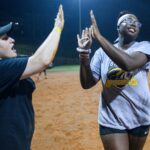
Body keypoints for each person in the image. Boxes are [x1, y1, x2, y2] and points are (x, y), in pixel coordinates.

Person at [77, 10, 150, 150]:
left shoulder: (145, 47)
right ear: (118, 27)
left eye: (136, 22)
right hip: (111, 119)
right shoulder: (101, 53)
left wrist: (99, 37)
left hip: (140, 116)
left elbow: (128, 64)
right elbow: (87, 83)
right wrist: (84, 55)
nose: (133, 22)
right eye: (128, 20)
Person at [0, 5, 64, 150]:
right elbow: (42, 60)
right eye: (5, 38)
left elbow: (43, 60)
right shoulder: (2, 69)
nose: (12, 40)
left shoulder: (9, 65)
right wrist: (58, 27)